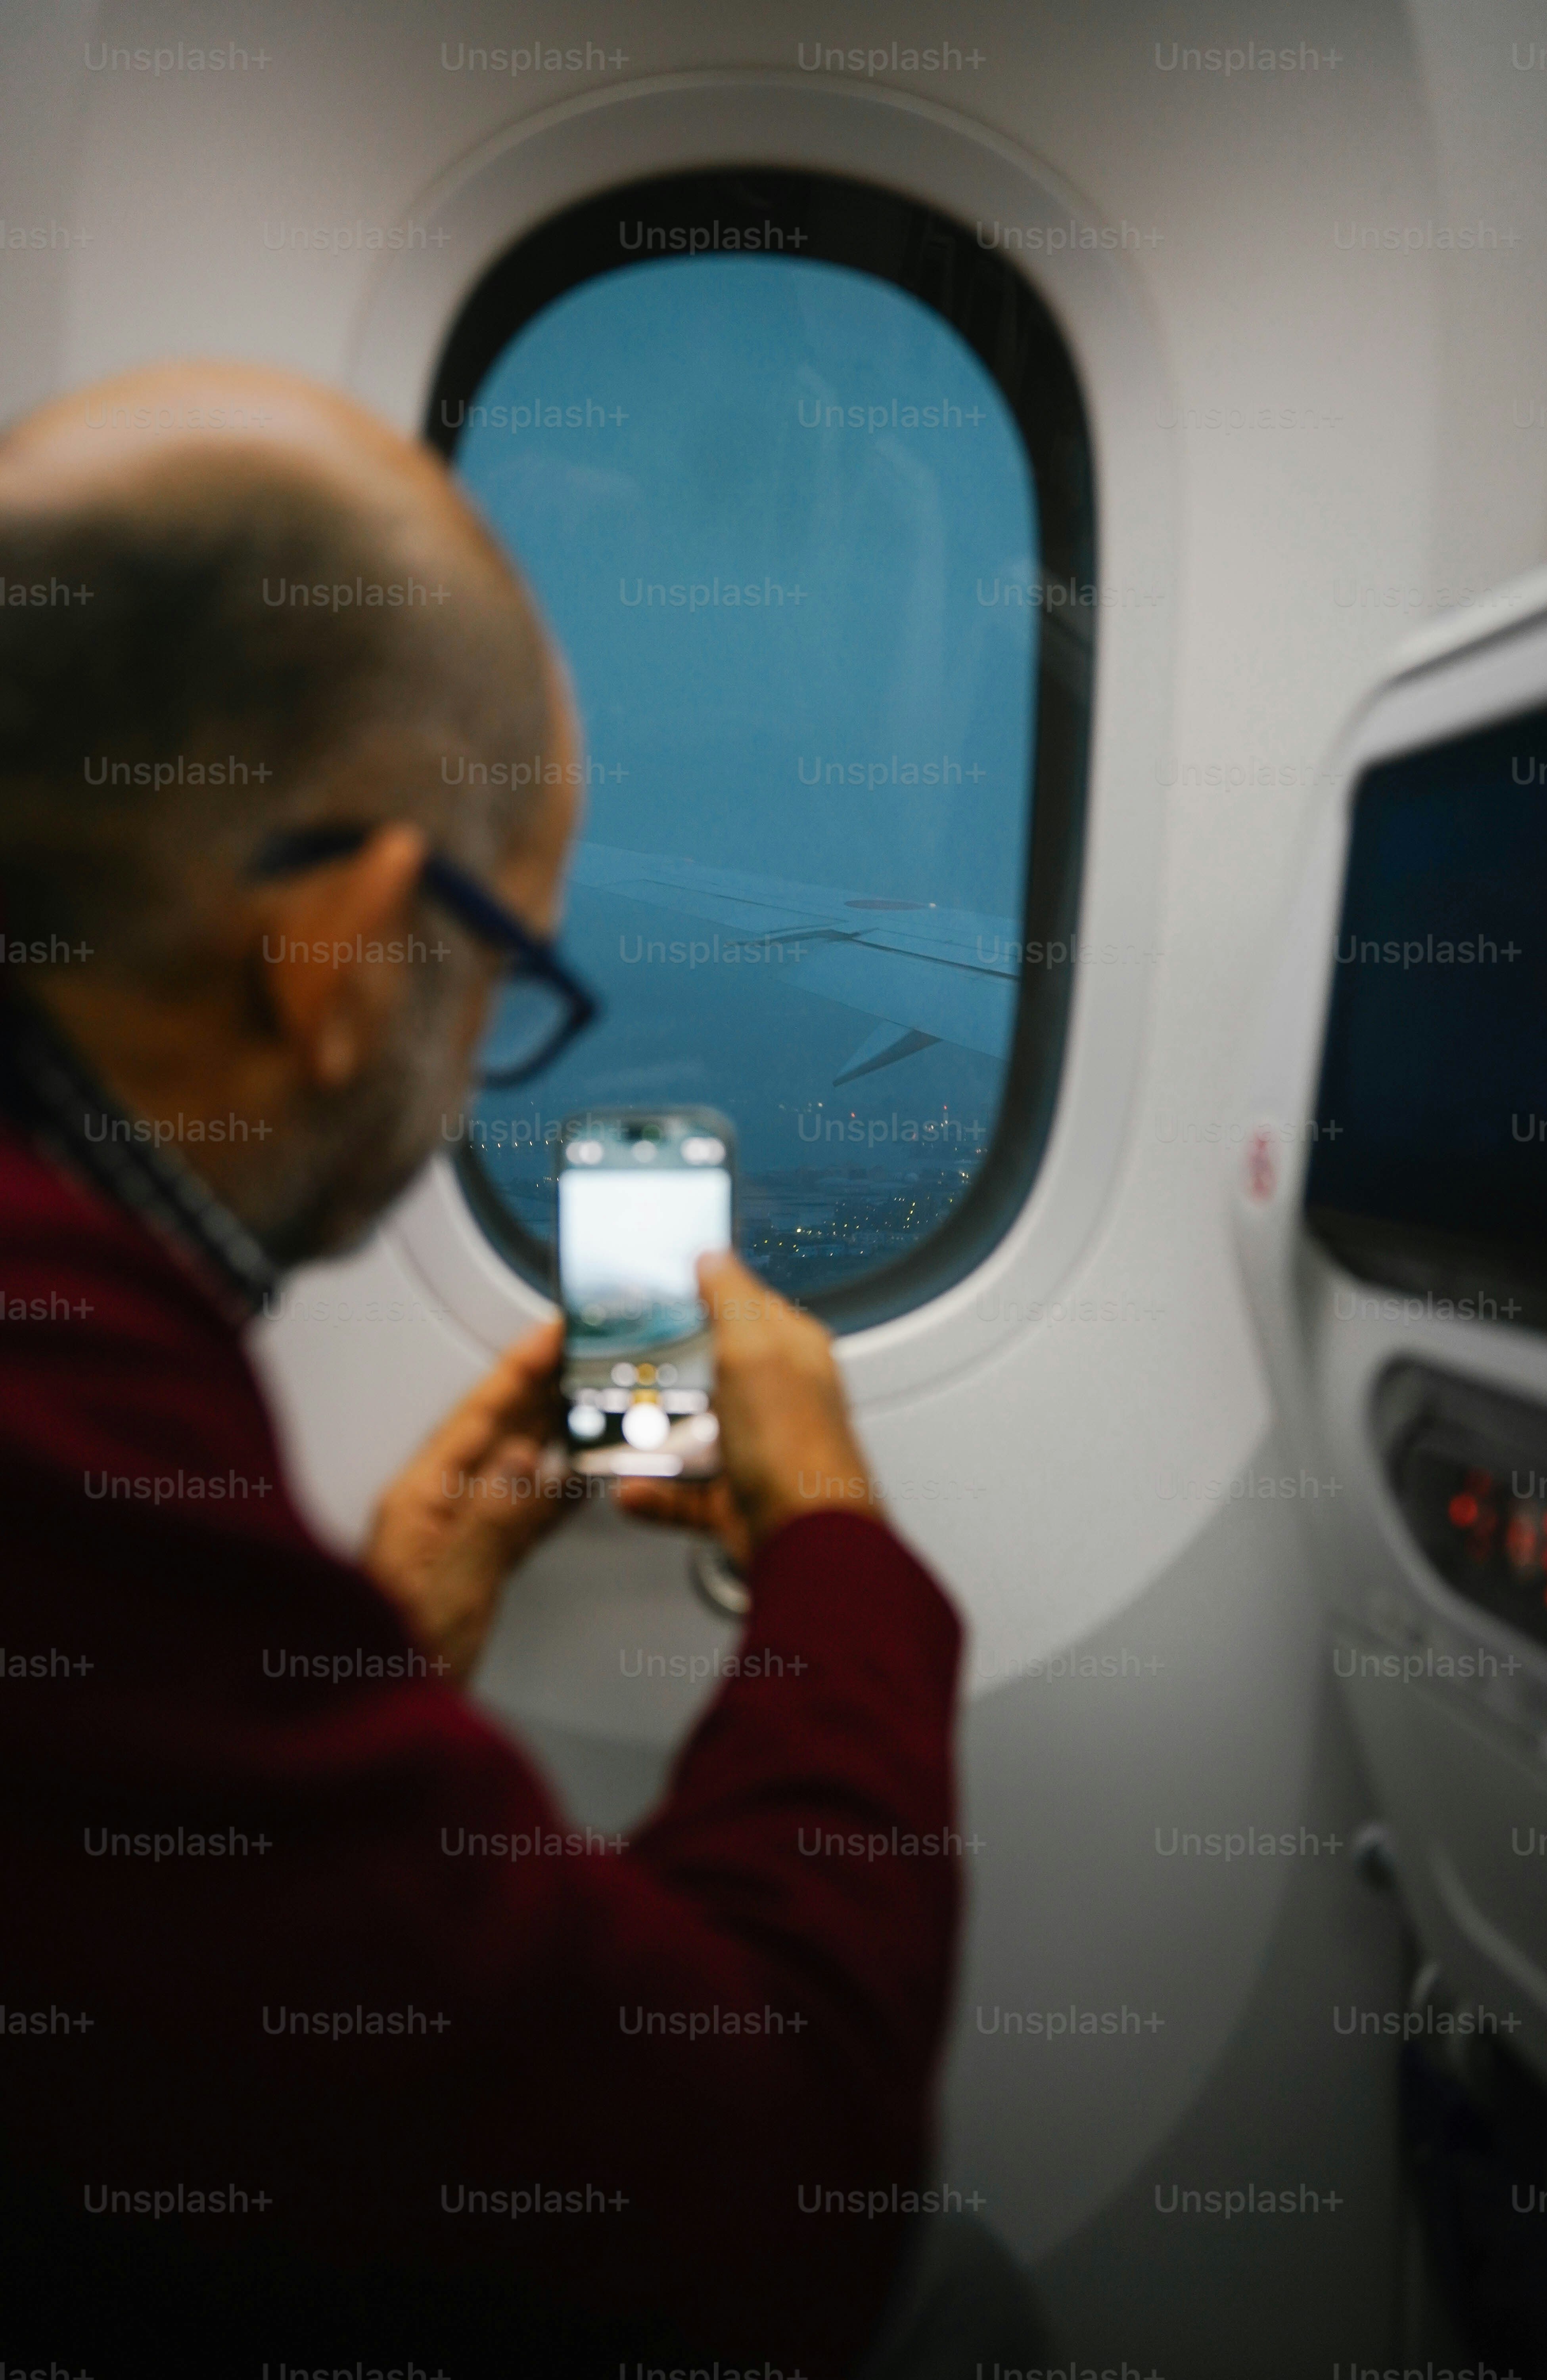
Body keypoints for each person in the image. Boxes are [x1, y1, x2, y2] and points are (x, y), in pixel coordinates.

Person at [0, 362, 1054, 2379]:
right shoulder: (64, 1424)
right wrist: (833, 1540)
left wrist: (342, 1657)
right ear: (340, 949)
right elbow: (750, 2200)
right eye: (512, 978)